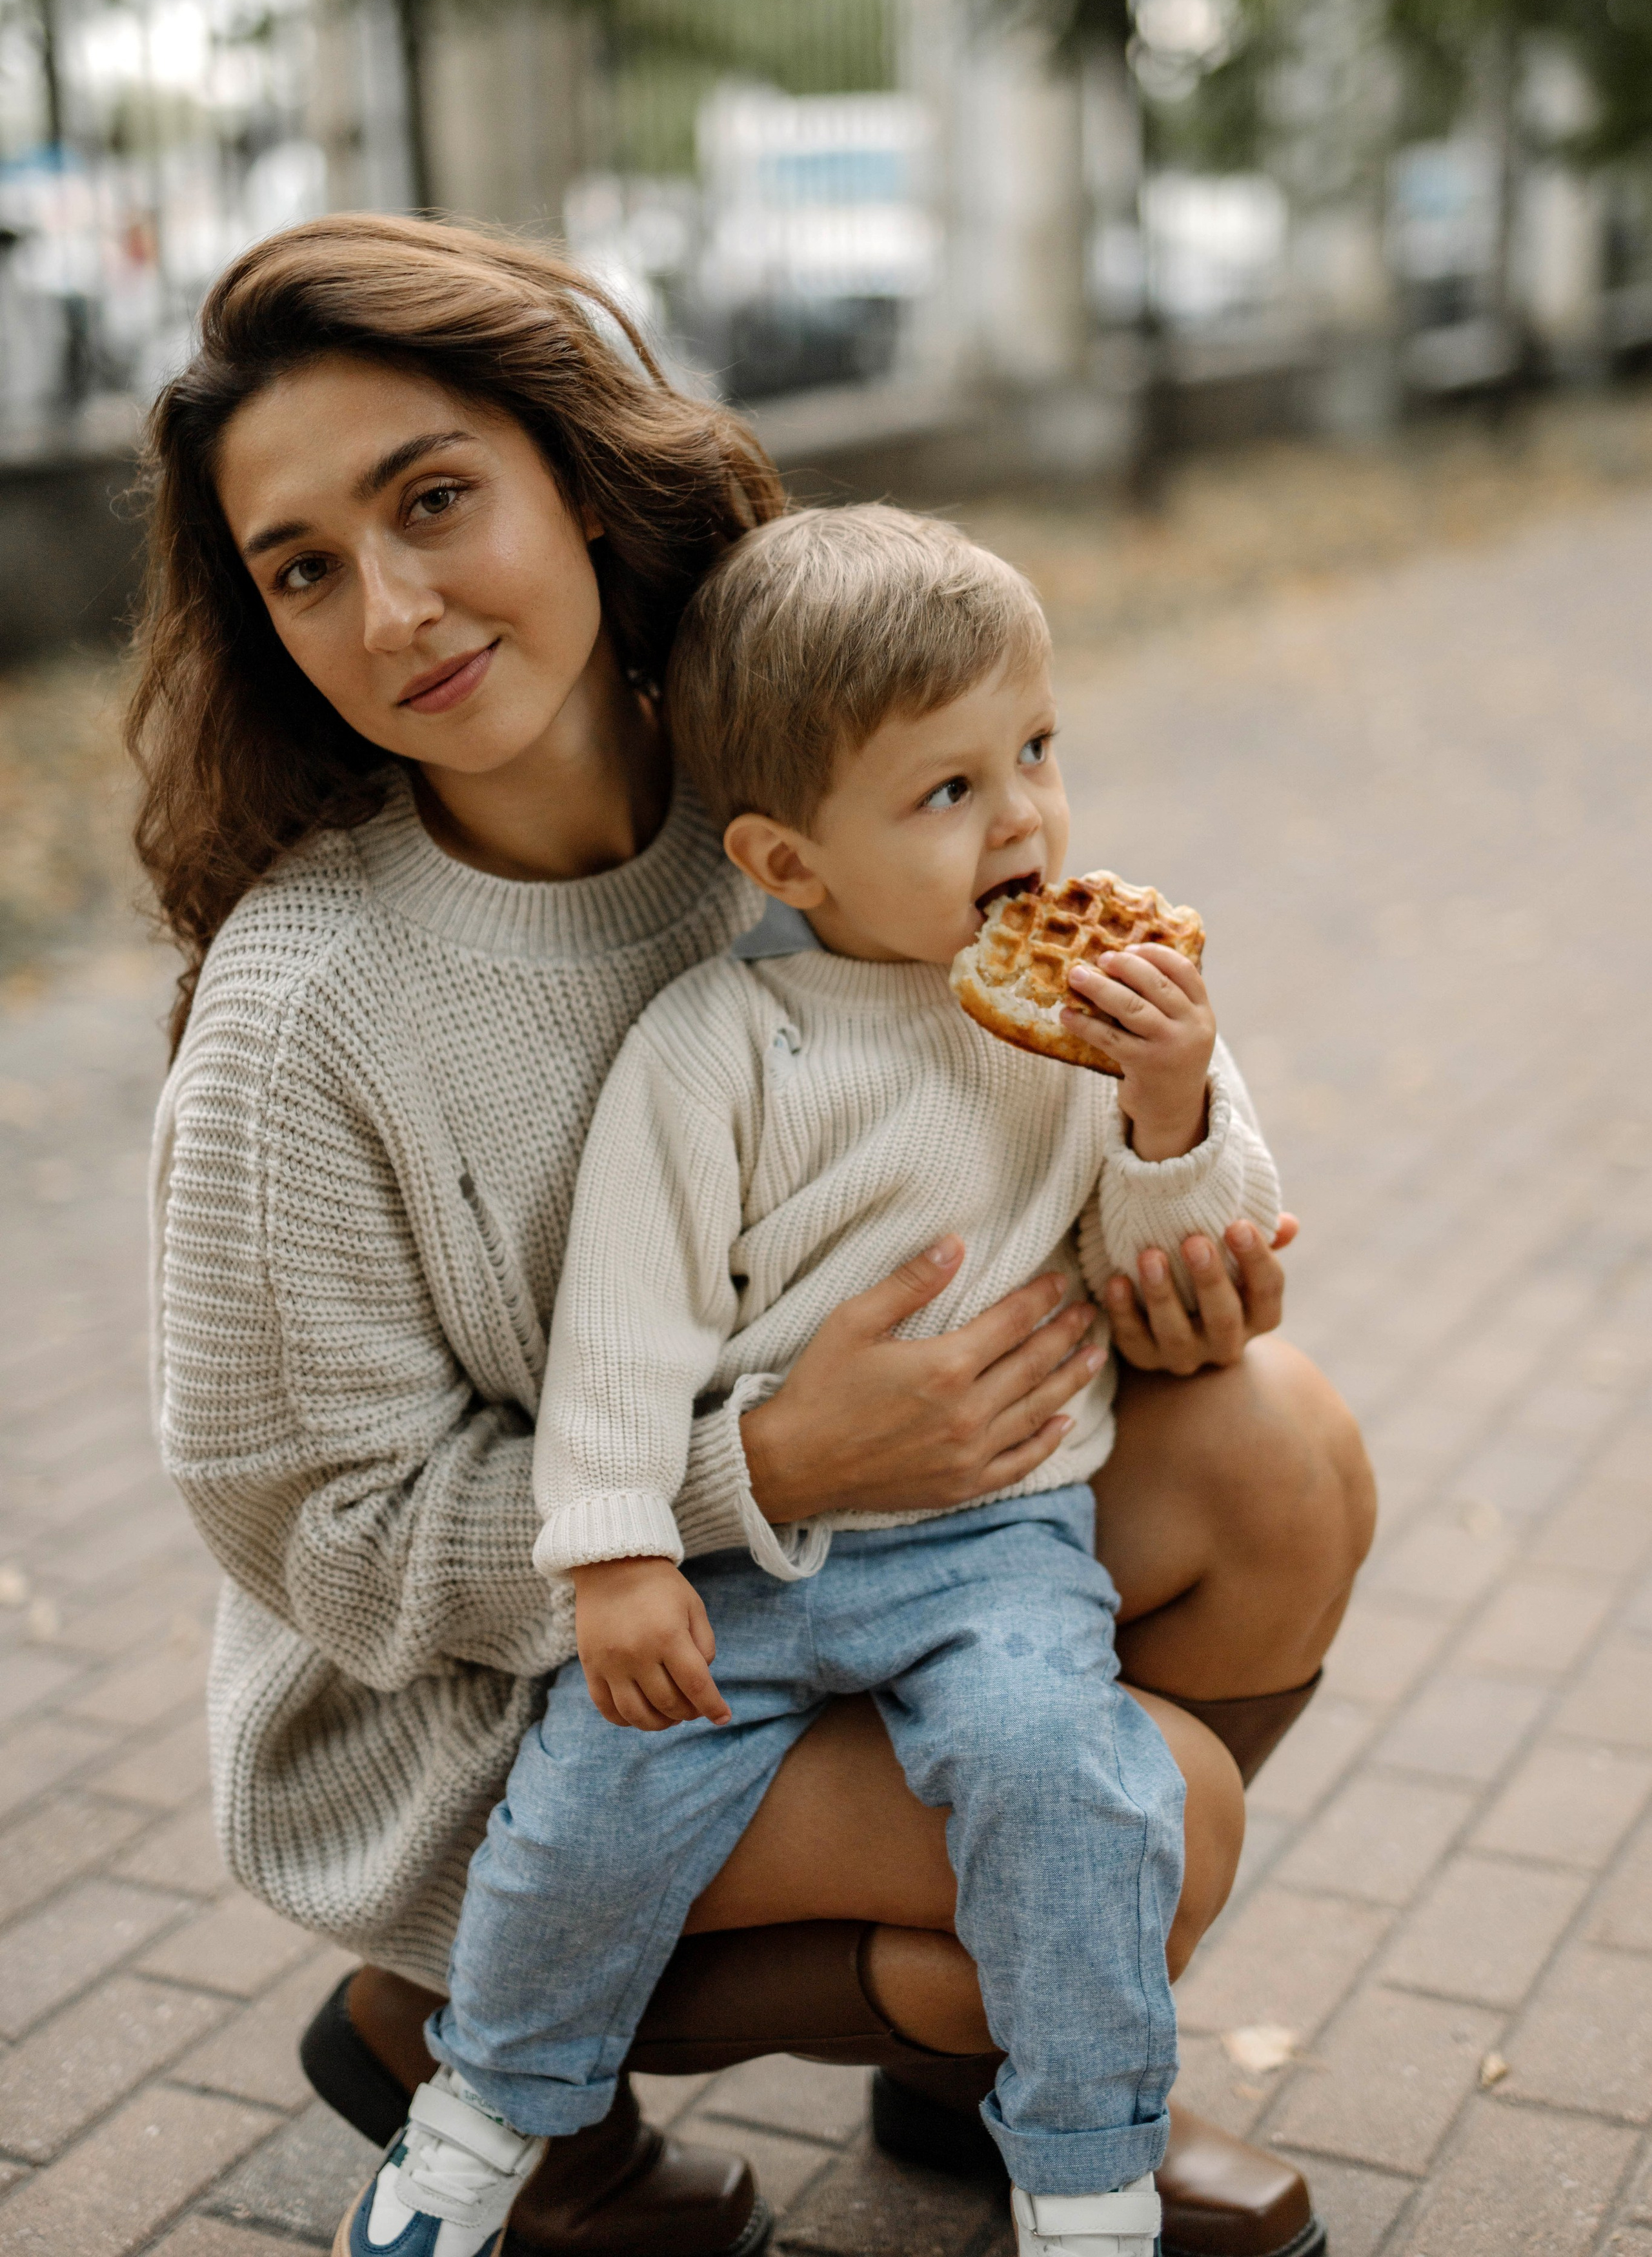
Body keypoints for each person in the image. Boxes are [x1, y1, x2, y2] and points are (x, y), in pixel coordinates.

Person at [135, 214, 1374, 2257]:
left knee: (1281, 1451)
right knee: (1163, 1817)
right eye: (306, 570)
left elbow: (1059, 1035)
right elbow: (325, 1534)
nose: (395, 606)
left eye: (435, 500)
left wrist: (1177, 1219)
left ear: (576, 477)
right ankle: (456, 2013)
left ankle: (999, 2061)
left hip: (926, 1550)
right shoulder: (308, 1015)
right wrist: (767, 1466)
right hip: (510, 1688)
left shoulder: (799, 760)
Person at [337, 503, 1285, 2257]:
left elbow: (1212, 1245)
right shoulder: (718, 1048)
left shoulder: (1092, 1023)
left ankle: (1087, 2179)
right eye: (946, 793)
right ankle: (477, 2129)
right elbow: (622, 1327)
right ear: (786, 861)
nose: (1022, 816)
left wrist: (1173, 1107)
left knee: (1067, 1788)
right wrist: (616, 1554)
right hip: (737, 1574)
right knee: (584, 1824)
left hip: (999, 1547)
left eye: (1036, 751)